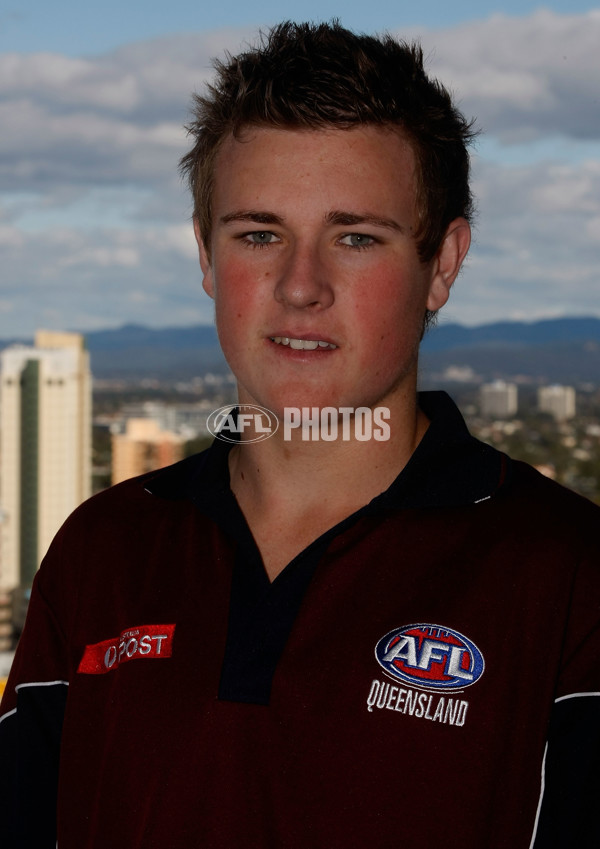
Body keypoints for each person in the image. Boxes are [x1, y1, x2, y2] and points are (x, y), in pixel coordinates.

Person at [1, 20, 599, 849]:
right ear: (207, 258)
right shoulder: (100, 551)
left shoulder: (569, 573)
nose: (300, 286)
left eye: (355, 237)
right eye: (259, 234)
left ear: (443, 263)